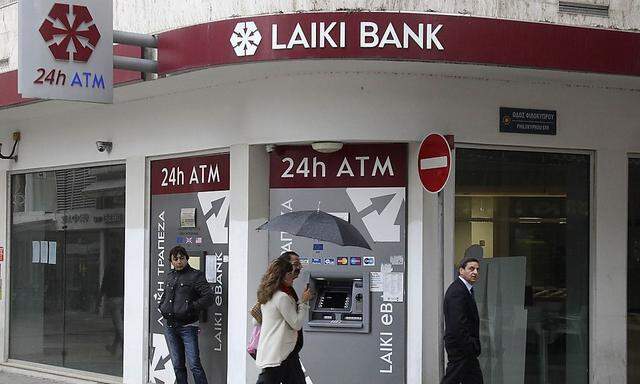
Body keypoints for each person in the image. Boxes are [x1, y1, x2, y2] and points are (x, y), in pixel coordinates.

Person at [159, 246, 214, 384]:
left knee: (194, 364)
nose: (179, 261)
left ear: (187, 259)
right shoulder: (170, 276)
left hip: (188, 326)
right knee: (177, 365)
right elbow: (165, 296)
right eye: (175, 259)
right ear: (171, 261)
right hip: (170, 326)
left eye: (182, 258)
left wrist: (190, 308)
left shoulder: (196, 275)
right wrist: (161, 306)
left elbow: (209, 297)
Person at [255, 258, 313, 384]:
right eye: (289, 273)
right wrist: (303, 302)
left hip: (278, 352)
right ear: (281, 275)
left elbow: (256, 321)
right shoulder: (282, 297)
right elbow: (296, 324)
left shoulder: (268, 293)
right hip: (279, 353)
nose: (293, 276)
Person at [442, 257, 483, 384]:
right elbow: (458, 324)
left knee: (474, 380)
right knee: (452, 380)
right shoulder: (457, 291)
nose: (475, 272)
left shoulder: (464, 289)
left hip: (465, 349)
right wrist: (470, 345)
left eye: (477, 269)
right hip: (461, 350)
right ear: (461, 270)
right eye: (471, 268)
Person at [100, 251, 124, 356]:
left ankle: (126, 350)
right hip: (123, 298)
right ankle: (114, 348)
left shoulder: (110, 267)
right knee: (119, 325)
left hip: (113, 298)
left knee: (119, 326)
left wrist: (100, 297)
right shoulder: (123, 267)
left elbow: (105, 283)